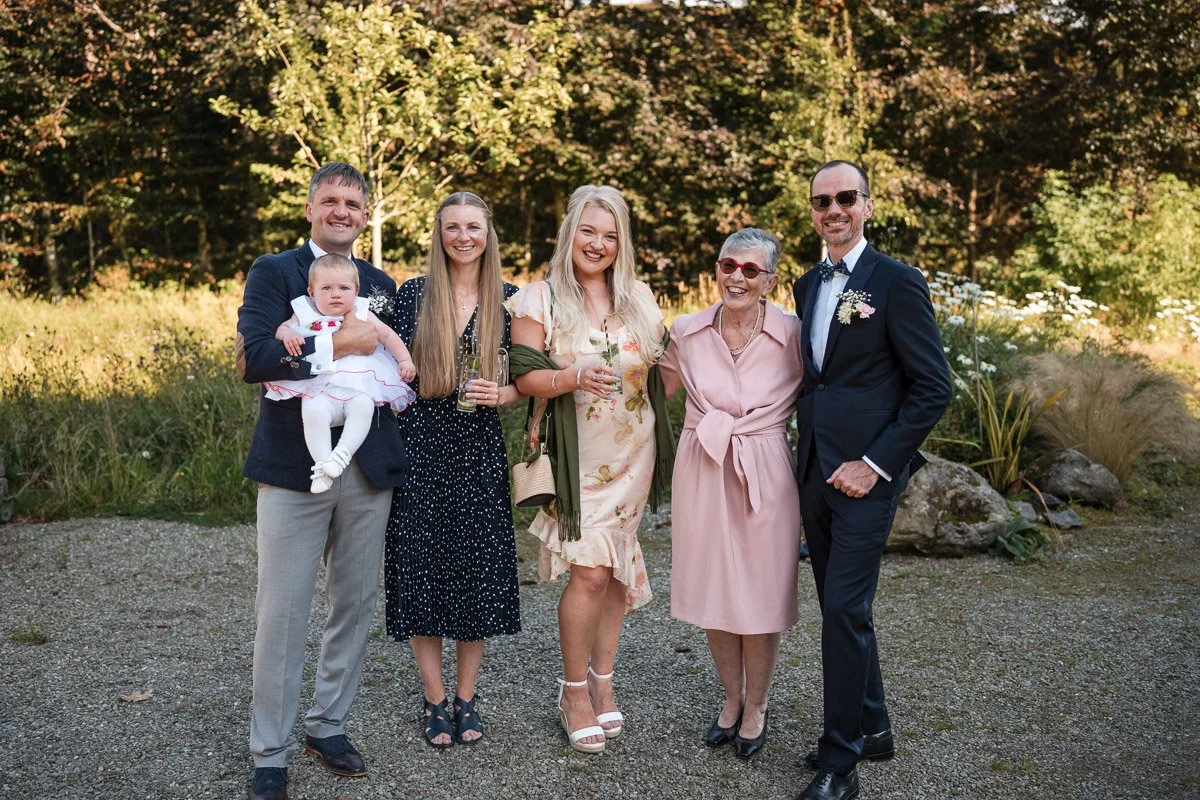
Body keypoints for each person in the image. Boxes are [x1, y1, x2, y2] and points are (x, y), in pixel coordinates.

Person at [236, 162, 407, 800]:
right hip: (293, 466)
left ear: (365, 215)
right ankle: (270, 752)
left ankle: (328, 724)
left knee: (356, 603)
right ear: (310, 209)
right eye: (329, 201)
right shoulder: (274, 272)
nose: (341, 211)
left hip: (368, 465)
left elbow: (404, 360)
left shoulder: (382, 283)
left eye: (353, 203)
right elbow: (256, 357)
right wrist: (341, 347)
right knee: (281, 611)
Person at [792, 160, 951, 800]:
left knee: (843, 612)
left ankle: (840, 761)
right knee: (843, 608)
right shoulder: (807, 284)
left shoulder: (897, 282)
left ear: (867, 205)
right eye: (821, 201)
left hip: (866, 477)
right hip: (814, 473)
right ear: (813, 211)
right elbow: (817, 380)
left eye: (845, 198)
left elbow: (932, 387)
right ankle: (874, 726)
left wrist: (877, 463)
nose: (833, 209)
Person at [507, 184, 673, 754]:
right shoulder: (540, 299)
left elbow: (666, 365)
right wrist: (571, 376)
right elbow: (526, 376)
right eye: (588, 231)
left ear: (621, 242)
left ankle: (604, 685)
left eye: (610, 235)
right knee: (590, 573)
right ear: (569, 233)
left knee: (615, 571)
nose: (598, 244)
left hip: (634, 454)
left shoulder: (638, 298)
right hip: (578, 461)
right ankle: (573, 691)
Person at [657, 228, 804, 760]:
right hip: (703, 464)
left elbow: (834, 393)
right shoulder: (686, 331)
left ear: (770, 280)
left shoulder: (793, 332)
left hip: (764, 466)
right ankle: (731, 697)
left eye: (750, 270)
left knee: (761, 593)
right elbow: (651, 391)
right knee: (715, 591)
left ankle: (759, 705)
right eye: (727, 266)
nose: (736, 277)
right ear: (716, 269)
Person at [383, 191, 523, 748]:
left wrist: (506, 394)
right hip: (419, 448)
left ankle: (468, 697)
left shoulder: (512, 302)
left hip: (478, 448)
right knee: (422, 569)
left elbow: (539, 379)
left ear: (489, 234)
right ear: (438, 236)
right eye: (451, 228)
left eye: (473, 227)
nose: (463, 237)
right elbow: (383, 364)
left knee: (476, 572)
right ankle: (434, 698)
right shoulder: (413, 295)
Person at [266, 253, 416, 493]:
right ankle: (323, 465)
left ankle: (341, 455)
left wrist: (405, 359)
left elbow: (387, 335)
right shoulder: (305, 311)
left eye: (344, 288)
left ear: (356, 291)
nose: (335, 294)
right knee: (312, 412)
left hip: (357, 385)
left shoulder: (362, 312)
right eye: (326, 288)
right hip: (320, 386)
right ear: (311, 292)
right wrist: (287, 334)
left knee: (364, 407)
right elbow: (282, 328)